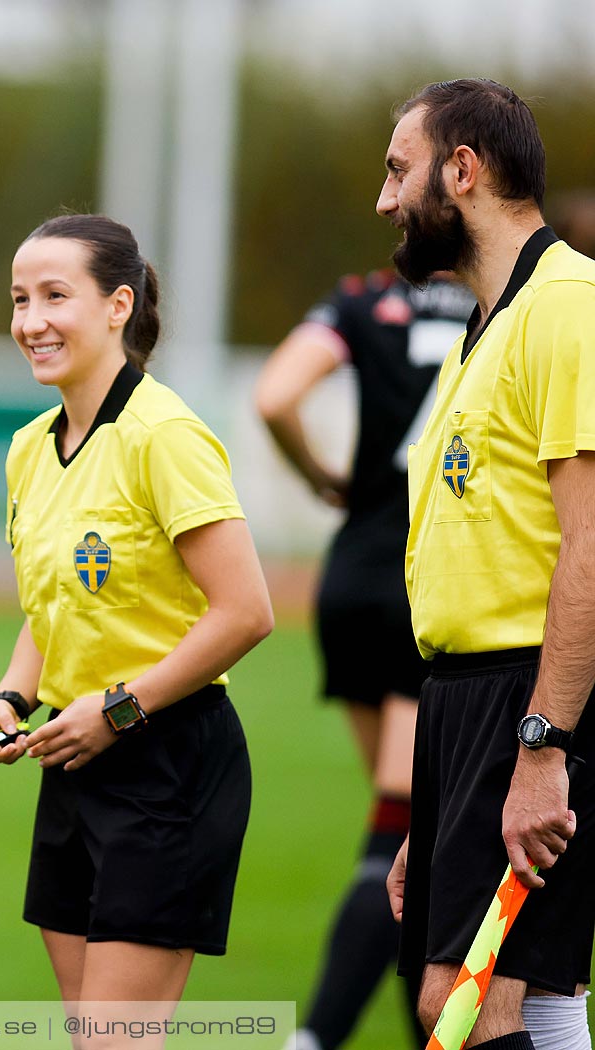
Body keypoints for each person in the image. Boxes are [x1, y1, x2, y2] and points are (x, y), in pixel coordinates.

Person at [0, 214, 273, 1049]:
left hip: (167, 760)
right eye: (20, 299)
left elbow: (247, 612)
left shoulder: (164, 435)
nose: (32, 320)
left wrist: (119, 710)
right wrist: (11, 695)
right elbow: (52, 605)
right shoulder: (29, 448)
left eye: (55, 297)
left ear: (117, 305)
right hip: (74, 759)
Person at [380, 79, 595, 1050]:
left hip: (531, 697)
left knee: (460, 1006)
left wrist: (543, 747)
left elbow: (590, 541)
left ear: (462, 171)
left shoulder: (567, 307)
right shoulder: (487, 325)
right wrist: (440, 808)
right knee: (528, 1000)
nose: (386, 200)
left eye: (399, 169)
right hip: (468, 705)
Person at [256, 265, 474, 1050]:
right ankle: (314, 1036)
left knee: (424, 836)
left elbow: (275, 394)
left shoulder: (358, 296)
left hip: (350, 580)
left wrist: (322, 477)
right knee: (409, 831)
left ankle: (424, 1035)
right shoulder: (512, 297)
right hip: (435, 579)